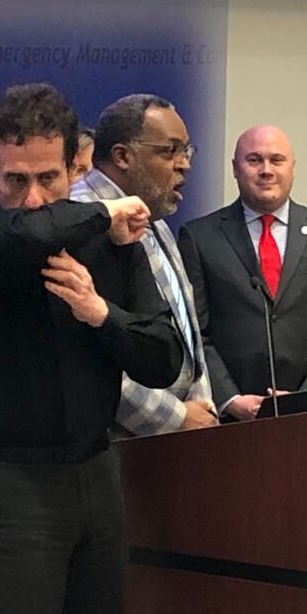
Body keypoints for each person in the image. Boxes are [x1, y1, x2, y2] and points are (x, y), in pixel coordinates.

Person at [0, 83, 182, 614]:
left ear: (77, 167)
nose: (33, 198)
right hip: (7, 485)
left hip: (96, 473)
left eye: (48, 178)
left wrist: (101, 314)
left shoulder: (109, 242)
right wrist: (103, 211)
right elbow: (29, 235)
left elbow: (164, 358)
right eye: (15, 180)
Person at [178, 125, 307, 421]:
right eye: (254, 160)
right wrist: (230, 399)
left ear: (292, 168)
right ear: (235, 169)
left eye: (277, 160)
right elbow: (195, 332)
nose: (266, 170)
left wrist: (305, 401)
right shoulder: (199, 238)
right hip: (227, 421)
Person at [71, 94, 217, 435]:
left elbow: (186, 331)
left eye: (186, 150)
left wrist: (200, 406)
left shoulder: (155, 218)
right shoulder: (80, 222)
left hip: (181, 439)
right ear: (123, 156)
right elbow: (89, 353)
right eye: (170, 151)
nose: (184, 164)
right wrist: (175, 418)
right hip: (116, 442)